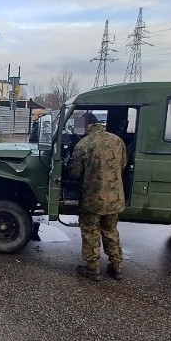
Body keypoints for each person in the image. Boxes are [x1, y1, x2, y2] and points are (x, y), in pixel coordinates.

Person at [68, 112, 128, 281]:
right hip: (115, 198)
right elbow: (123, 165)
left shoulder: (84, 144)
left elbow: (75, 172)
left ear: (86, 125)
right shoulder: (118, 141)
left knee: (90, 232)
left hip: (92, 199)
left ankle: (92, 269)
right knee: (111, 231)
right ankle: (116, 267)